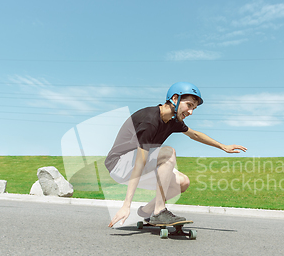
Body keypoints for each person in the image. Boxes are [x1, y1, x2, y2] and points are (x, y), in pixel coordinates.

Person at [106, 82, 247, 228]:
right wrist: (126, 205)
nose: (191, 112)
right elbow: (139, 163)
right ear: (175, 99)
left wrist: (223, 146)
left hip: (136, 165)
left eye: (194, 108)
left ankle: (146, 211)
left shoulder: (173, 121)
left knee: (182, 182)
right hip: (119, 164)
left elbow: (195, 135)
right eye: (189, 105)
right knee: (168, 152)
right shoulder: (150, 120)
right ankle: (159, 211)